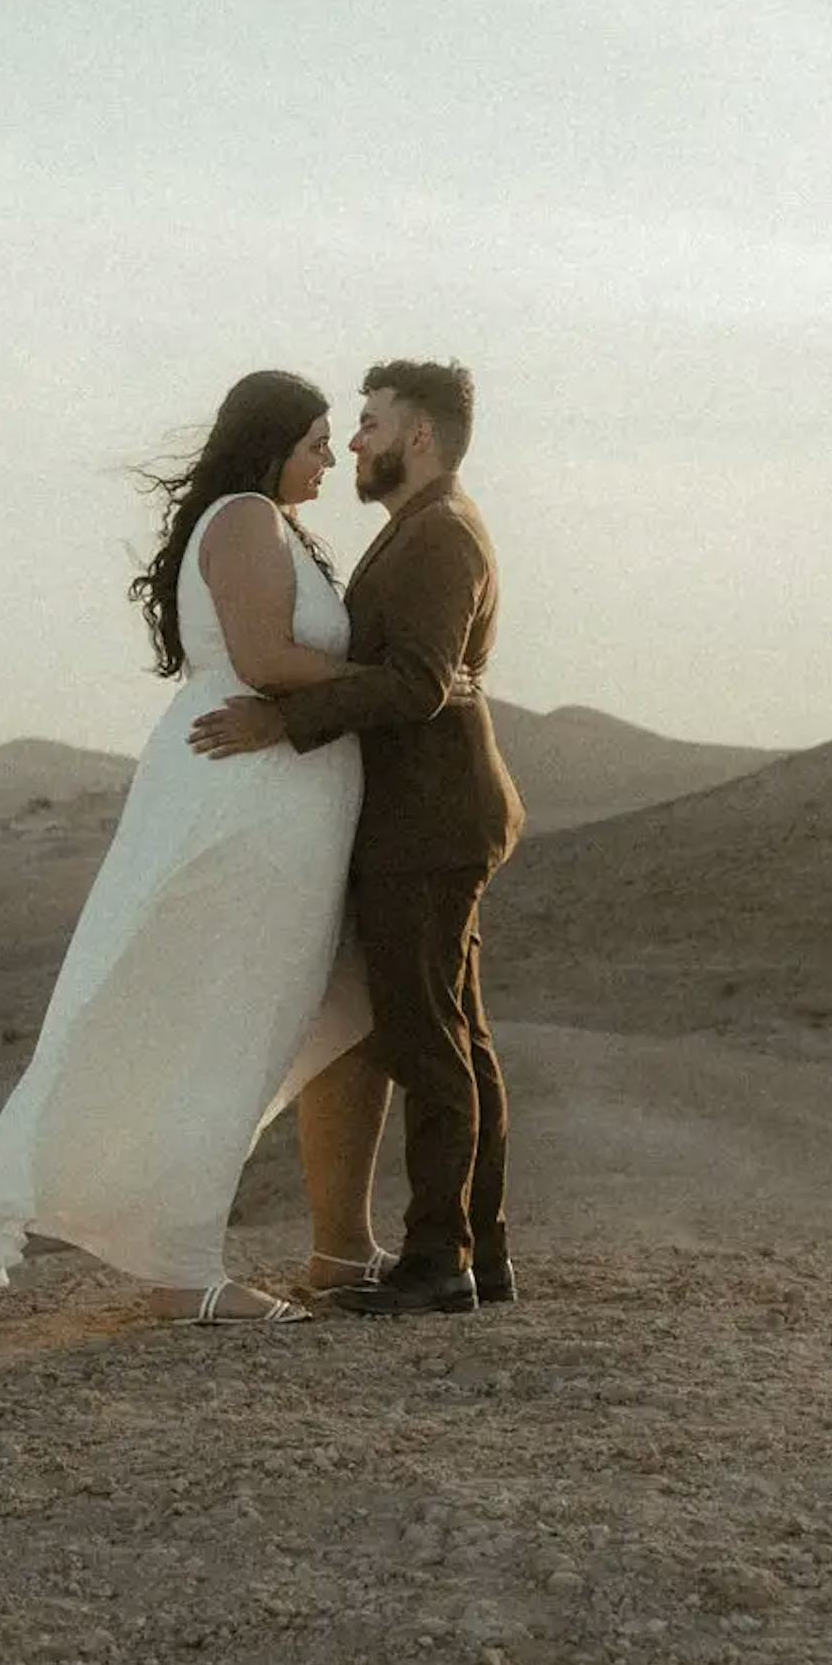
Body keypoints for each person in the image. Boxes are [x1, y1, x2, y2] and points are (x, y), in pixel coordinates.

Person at [0, 370, 378, 1324]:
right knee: (217, 1016)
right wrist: (389, 679)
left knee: (250, 1018)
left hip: (286, 808)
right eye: (315, 442)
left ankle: (183, 1254)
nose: (326, 461)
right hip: (247, 805)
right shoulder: (244, 520)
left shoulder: (268, 522)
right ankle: (183, 1270)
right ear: (271, 441)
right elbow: (265, 661)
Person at [193, 358, 523, 1317]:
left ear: (419, 436)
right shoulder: (419, 530)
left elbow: (418, 683)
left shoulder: (440, 538)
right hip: (427, 818)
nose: (354, 446)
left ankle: (440, 1259)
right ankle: (477, 1250)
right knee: (454, 1035)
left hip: (428, 822)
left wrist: (283, 723)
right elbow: (423, 673)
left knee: (426, 1039)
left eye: (371, 424)